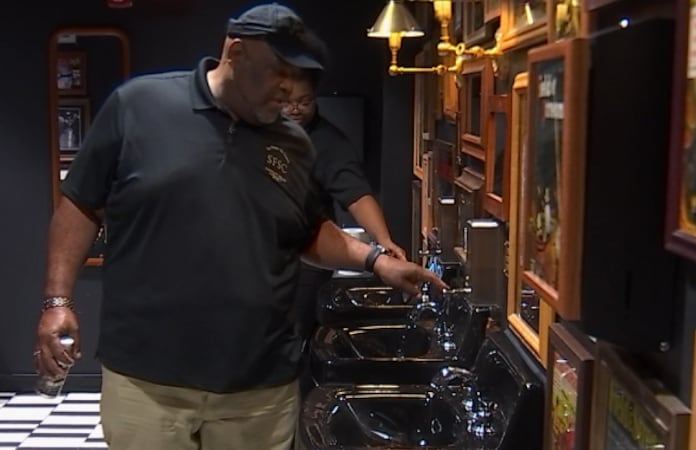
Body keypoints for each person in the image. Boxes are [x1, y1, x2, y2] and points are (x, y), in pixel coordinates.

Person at [32, 4, 446, 450]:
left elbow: (308, 232)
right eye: (278, 71)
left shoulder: (294, 144)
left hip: (258, 386)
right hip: (148, 379)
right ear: (235, 51)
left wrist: (376, 260)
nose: (288, 88)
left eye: (297, 75)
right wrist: (58, 300)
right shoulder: (138, 106)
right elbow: (80, 203)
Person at [283, 60, 406, 345]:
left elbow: (357, 194)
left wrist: (384, 240)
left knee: (294, 340)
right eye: (287, 102)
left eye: (304, 101)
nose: (295, 109)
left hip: (308, 257)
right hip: (261, 257)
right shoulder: (258, 131)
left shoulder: (327, 142)